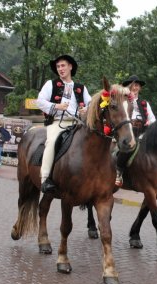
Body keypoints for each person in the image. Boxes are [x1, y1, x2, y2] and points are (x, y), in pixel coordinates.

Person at [36, 54, 92, 193]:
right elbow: (40, 102)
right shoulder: (50, 84)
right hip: (57, 122)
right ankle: (45, 179)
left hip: (77, 123)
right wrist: (57, 106)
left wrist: (86, 109)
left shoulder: (81, 88)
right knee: (51, 141)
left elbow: (91, 103)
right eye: (58, 66)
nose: (60, 69)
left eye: (63, 66)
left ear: (70, 67)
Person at [115, 75, 156, 186]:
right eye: (132, 85)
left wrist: (148, 122)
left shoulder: (144, 103)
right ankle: (118, 171)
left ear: (140, 88)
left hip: (142, 131)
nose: (134, 87)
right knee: (126, 145)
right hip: (127, 129)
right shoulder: (122, 100)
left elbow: (153, 119)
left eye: (137, 85)